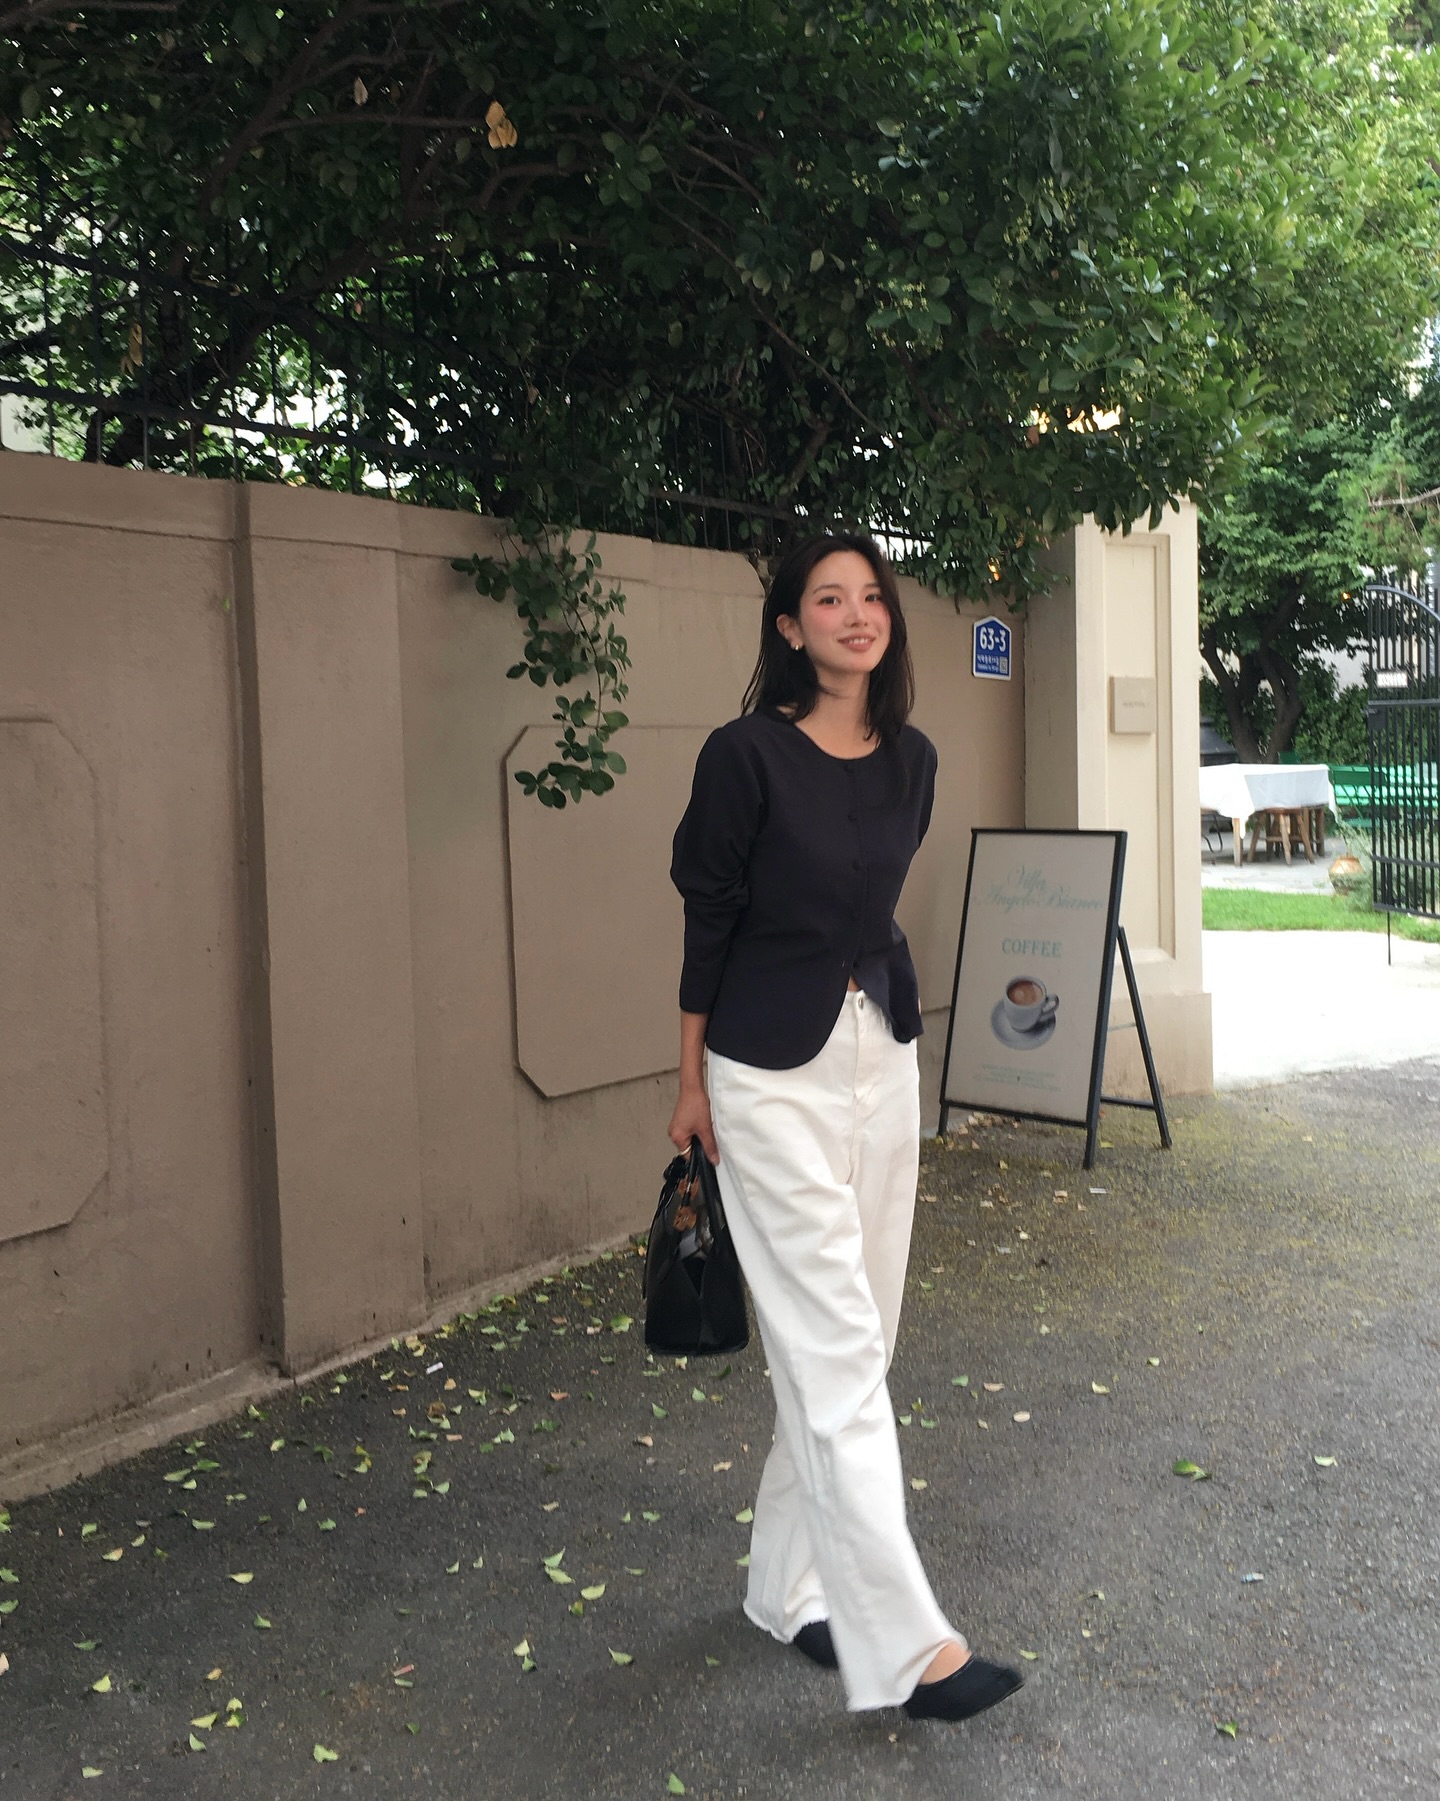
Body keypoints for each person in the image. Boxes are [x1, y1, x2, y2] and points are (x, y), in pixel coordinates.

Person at [668, 532, 1024, 1722]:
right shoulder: (744, 756)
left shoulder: (914, 759)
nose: (856, 613)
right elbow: (708, 919)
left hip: (883, 1052)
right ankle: (908, 1645)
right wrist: (688, 1080)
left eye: (872, 595)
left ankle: (788, 1587)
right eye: (828, 598)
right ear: (790, 627)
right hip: (766, 1072)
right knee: (832, 1349)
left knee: (859, 1339)